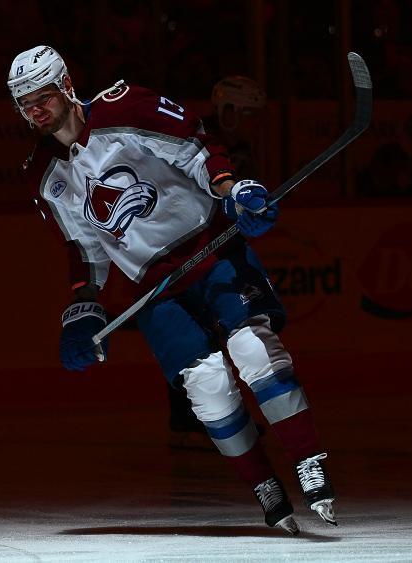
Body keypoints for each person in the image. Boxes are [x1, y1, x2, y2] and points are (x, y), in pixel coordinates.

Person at [10, 45, 336, 534]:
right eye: (25, 103)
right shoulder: (42, 174)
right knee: (207, 388)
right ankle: (264, 484)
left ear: (67, 86)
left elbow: (196, 148)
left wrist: (232, 191)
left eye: (43, 96)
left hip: (210, 250)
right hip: (154, 286)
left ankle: (309, 461)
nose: (36, 110)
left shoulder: (125, 108)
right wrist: (84, 303)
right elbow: (83, 247)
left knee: (254, 350)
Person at [166, 75, 269, 447]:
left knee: (221, 329)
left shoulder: (239, 144)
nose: (255, 123)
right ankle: (195, 416)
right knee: (197, 334)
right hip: (189, 246)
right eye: (249, 114)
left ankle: (207, 415)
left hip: (217, 246)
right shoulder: (199, 139)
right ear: (229, 111)